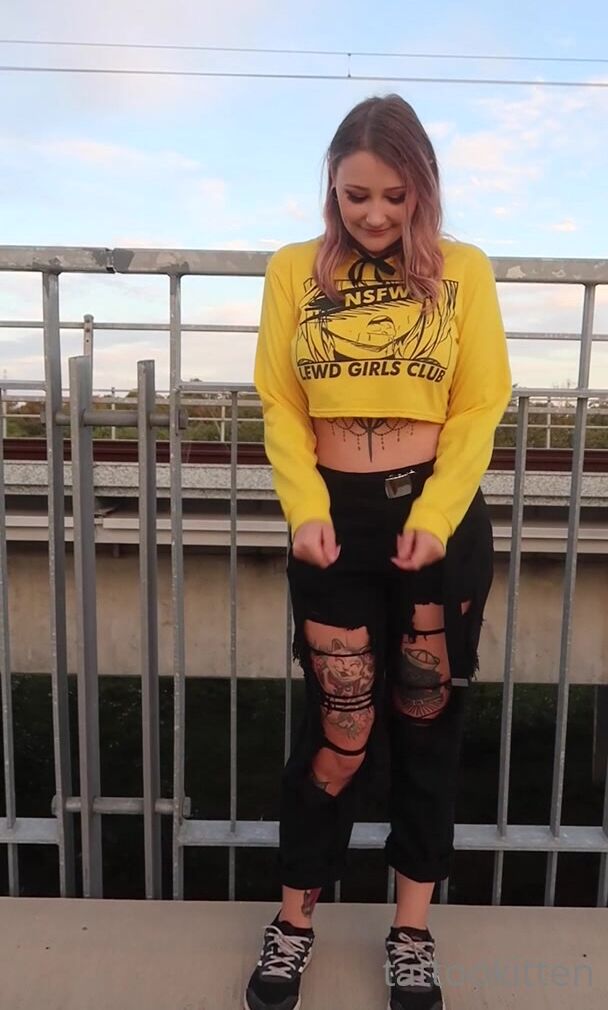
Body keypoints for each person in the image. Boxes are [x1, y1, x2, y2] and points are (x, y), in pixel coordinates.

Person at [245, 93, 512, 1010]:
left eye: (395, 197)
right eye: (356, 194)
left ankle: (411, 932)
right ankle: (293, 924)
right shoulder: (294, 271)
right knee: (342, 724)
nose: (374, 215)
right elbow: (281, 400)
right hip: (333, 522)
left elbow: (479, 403)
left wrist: (436, 512)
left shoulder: (463, 271)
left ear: (423, 189)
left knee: (428, 718)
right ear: (332, 184)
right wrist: (303, 505)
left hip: (438, 517)